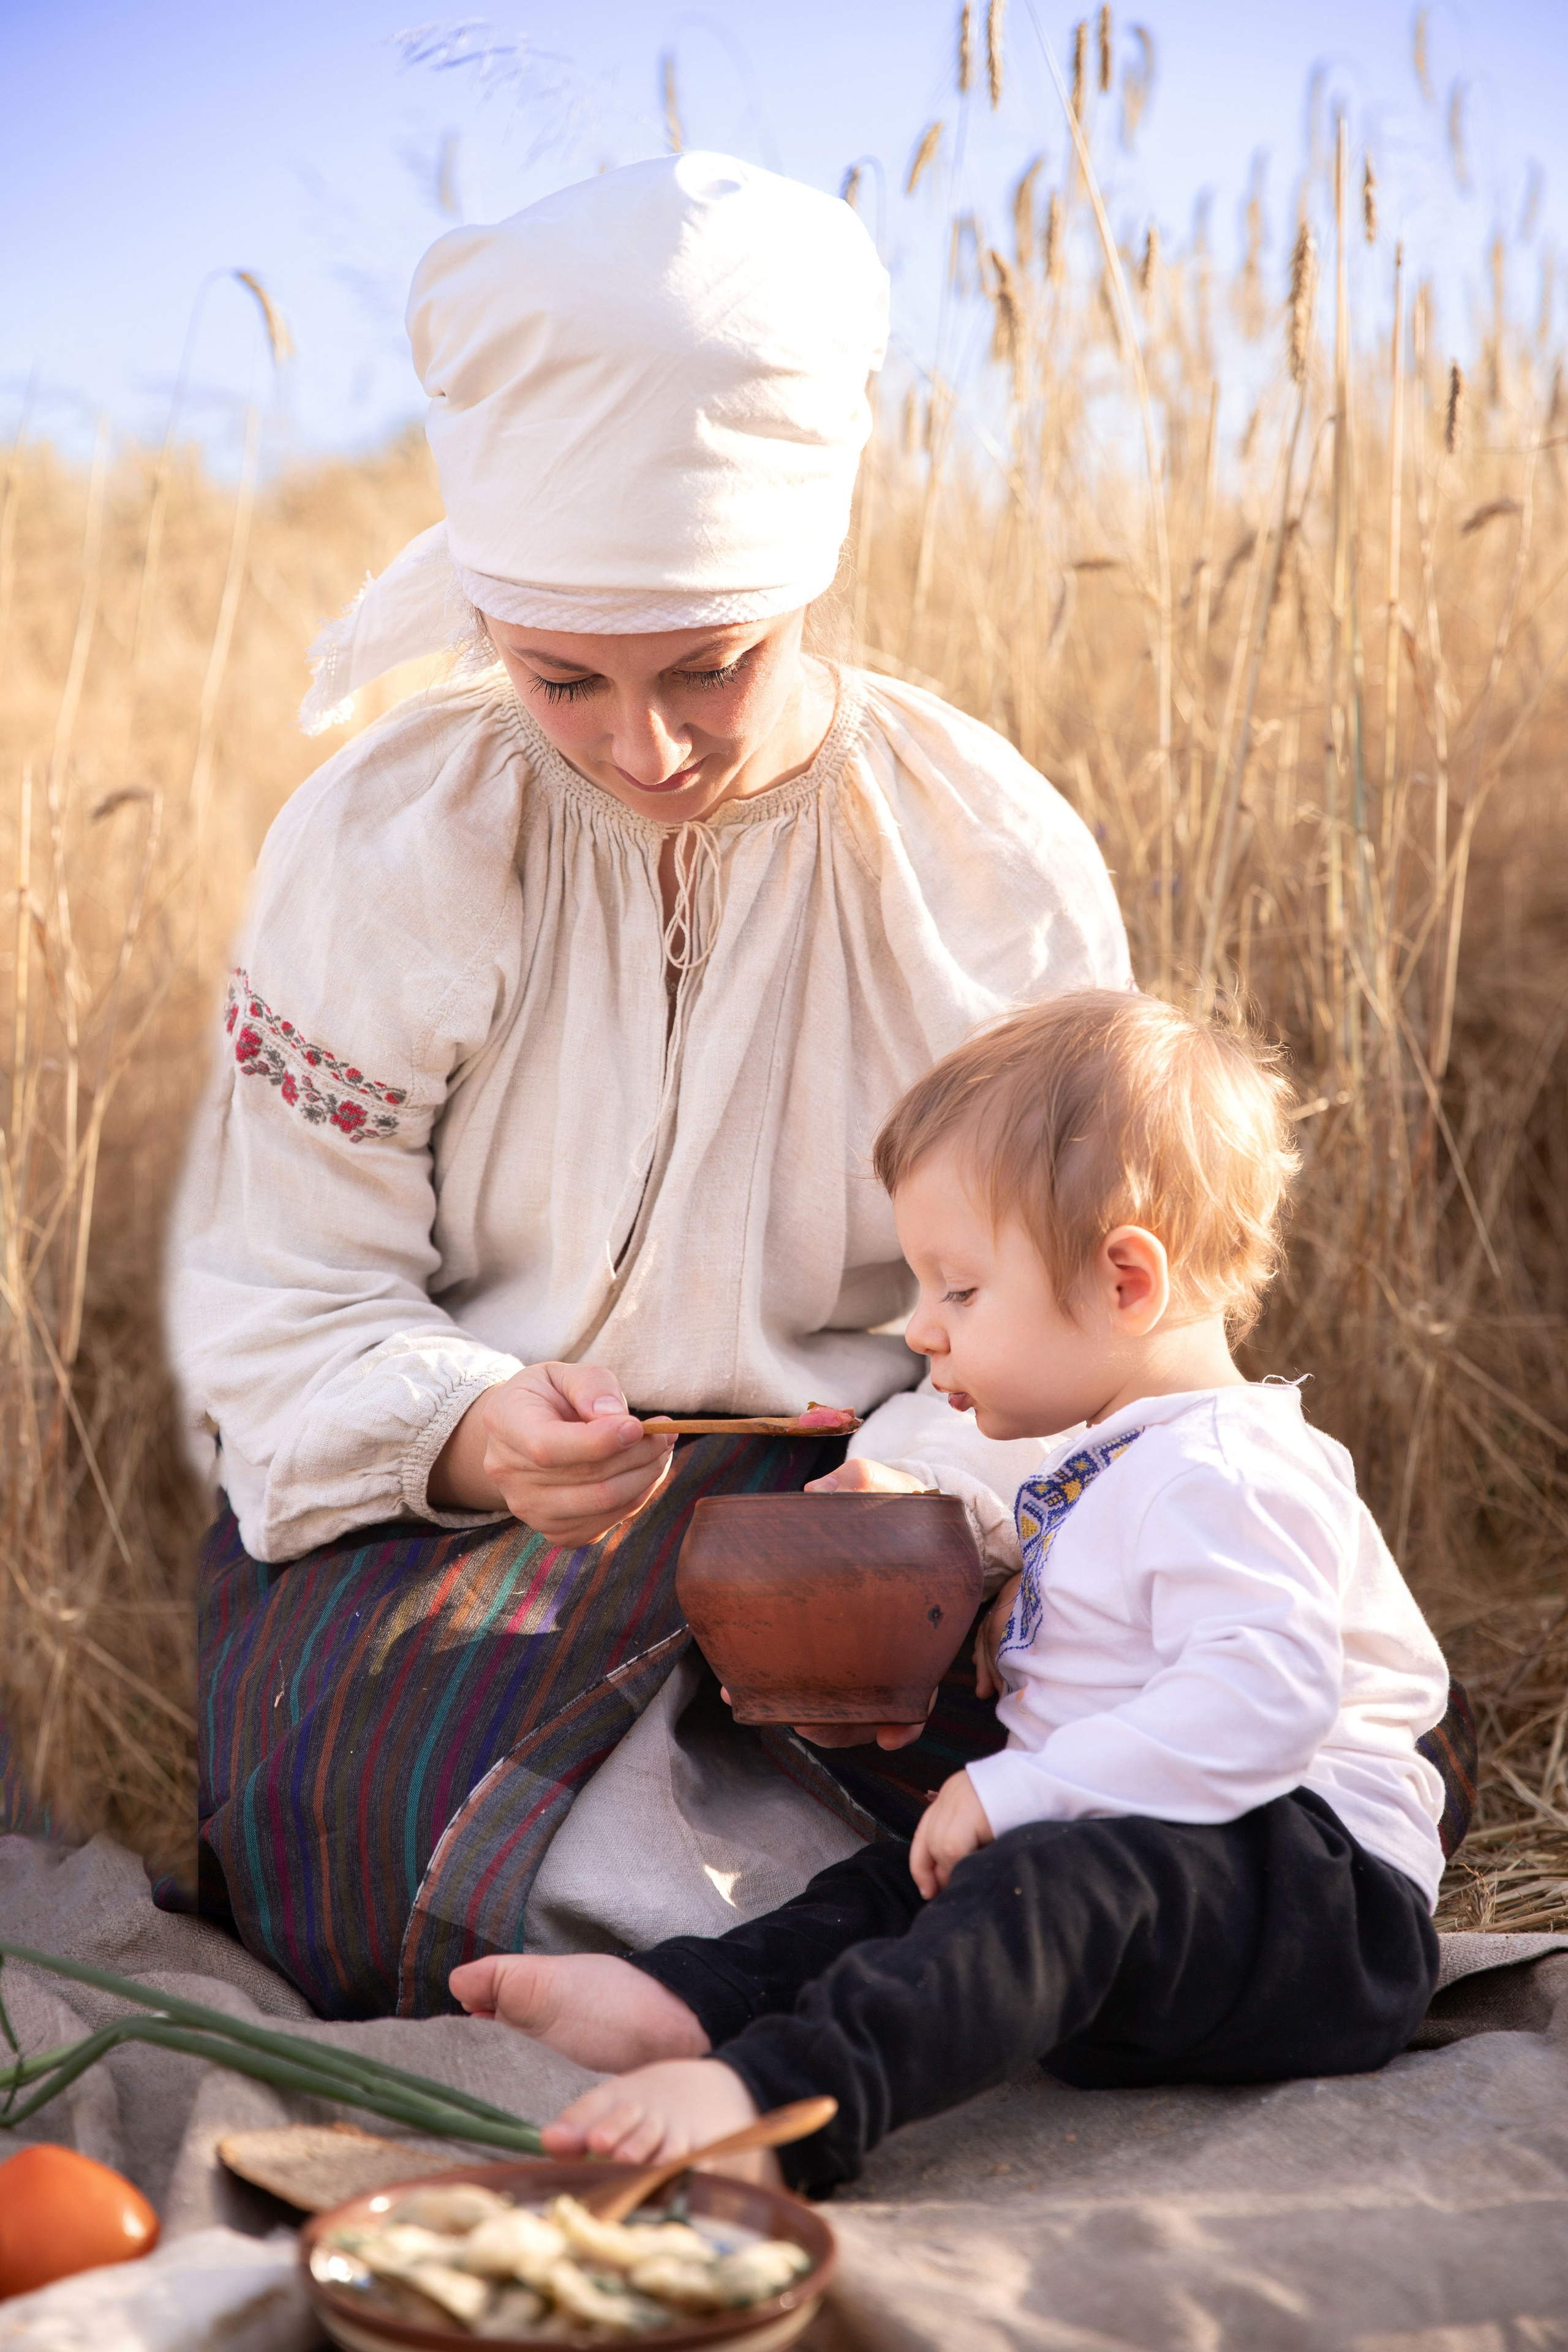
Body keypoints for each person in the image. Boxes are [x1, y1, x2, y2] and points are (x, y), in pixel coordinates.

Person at [163, 153, 1133, 2018]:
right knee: (414, 1847)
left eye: (711, 667)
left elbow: (1088, 1308)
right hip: (472, 1536)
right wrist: (468, 1427)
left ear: (803, 582)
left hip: (895, 1518)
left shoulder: (981, 853)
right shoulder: (389, 840)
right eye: (561, 681)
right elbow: (279, 1295)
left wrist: (915, 1496)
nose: (650, 746)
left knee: (1213, 1777)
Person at [449, 991, 1453, 2196]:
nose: (921, 1330)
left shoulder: (1225, 1472)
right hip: (1171, 1890)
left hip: (1314, 1914)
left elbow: (1264, 1699)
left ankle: (777, 2107)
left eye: (959, 1291)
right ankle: (686, 2005)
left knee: (1038, 1875)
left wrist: (1022, 1782)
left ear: (1124, 1278)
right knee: (898, 1884)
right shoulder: (1113, 1461)